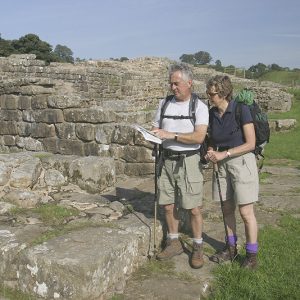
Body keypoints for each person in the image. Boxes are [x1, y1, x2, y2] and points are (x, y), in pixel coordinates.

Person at [151, 63, 209, 269]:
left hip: (189, 162)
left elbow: (199, 137)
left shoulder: (199, 107)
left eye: (176, 84)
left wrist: (172, 135)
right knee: (167, 204)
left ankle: (197, 246)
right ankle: (173, 241)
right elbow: (156, 128)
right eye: (171, 84)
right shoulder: (164, 104)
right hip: (166, 160)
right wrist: (150, 135)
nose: (173, 87)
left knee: (193, 207)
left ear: (189, 83)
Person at [205, 75, 259, 269]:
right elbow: (212, 139)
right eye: (208, 93)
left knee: (245, 212)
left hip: (241, 162)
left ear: (223, 93)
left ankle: (252, 256)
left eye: (212, 93)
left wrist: (225, 154)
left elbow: (250, 143)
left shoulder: (240, 109)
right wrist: (211, 151)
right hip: (221, 165)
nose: (209, 96)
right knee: (226, 209)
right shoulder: (212, 113)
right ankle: (231, 248)